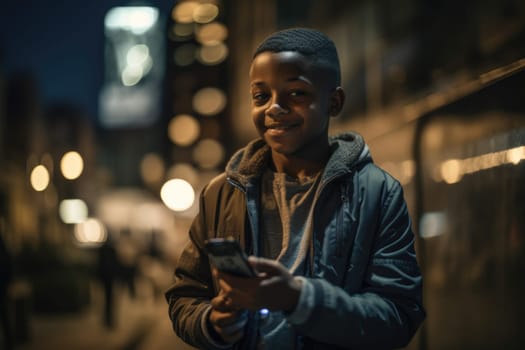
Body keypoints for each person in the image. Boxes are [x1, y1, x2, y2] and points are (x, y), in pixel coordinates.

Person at [165, 27, 425, 349]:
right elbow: (185, 295)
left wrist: (301, 300)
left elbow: (399, 315)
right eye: (261, 96)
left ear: (334, 102)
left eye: (296, 94)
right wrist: (212, 323)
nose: (274, 108)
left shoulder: (377, 193)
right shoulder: (221, 193)